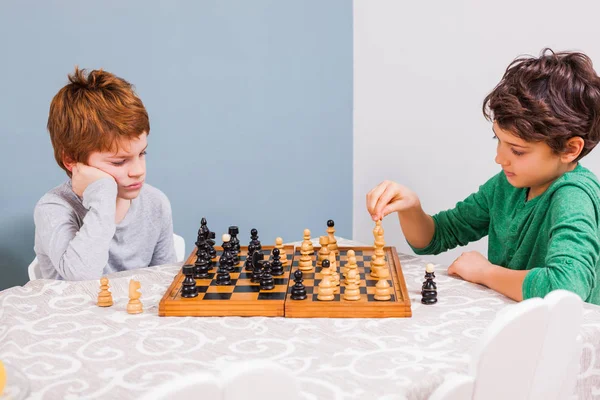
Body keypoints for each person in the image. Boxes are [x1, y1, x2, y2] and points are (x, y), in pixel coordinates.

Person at [366, 49, 600, 304]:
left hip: (566, 339)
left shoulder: (574, 196)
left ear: (569, 149)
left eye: (517, 151)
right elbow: (435, 238)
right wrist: (411, 207)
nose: (499, 158)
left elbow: (567, 289)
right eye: (498, 140)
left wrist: (485, 273)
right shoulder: (507, 185)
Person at [33, 67, 176, 280]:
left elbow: (166, 284)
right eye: (119, 162)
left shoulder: (155, 204)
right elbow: (82, 279)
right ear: (71, 160)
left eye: (142, 153)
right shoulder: (53, 208)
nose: (138, 171)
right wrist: (104, 192)